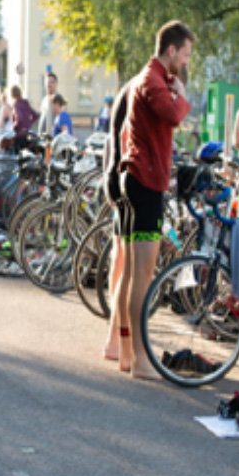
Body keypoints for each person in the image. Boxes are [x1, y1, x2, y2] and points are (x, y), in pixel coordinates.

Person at [118, 20, 195, 379]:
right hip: (145, 183)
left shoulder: (149, 78)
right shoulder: (152, 81)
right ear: (170, 51)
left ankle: (127, 353)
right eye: (185, 54)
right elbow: (175, 114)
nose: (187, 61)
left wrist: (177, 88)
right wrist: (181, 92)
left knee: (135, 272)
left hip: (140, 180)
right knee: (143, 275)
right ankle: (140, 360)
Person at [101, 81, 134, 371]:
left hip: (117, 196)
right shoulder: (127, 132)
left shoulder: (113, 132)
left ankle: (113, 338)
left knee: (118, 264)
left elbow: (105, 169)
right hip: (129, 197)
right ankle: (116, 338)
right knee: (126, 268)